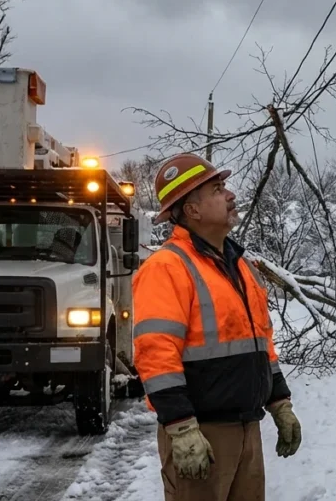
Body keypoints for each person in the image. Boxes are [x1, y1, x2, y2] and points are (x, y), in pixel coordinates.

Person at [132, 153, 302, 501]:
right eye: (218, 189)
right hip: (201, 434)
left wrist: (280, 404)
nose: (230, 195)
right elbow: (156, 354)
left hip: (246, 428)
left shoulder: (239, 266)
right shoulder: (167, 266)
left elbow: (260, 344)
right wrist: (181, 428)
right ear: (192, 210)